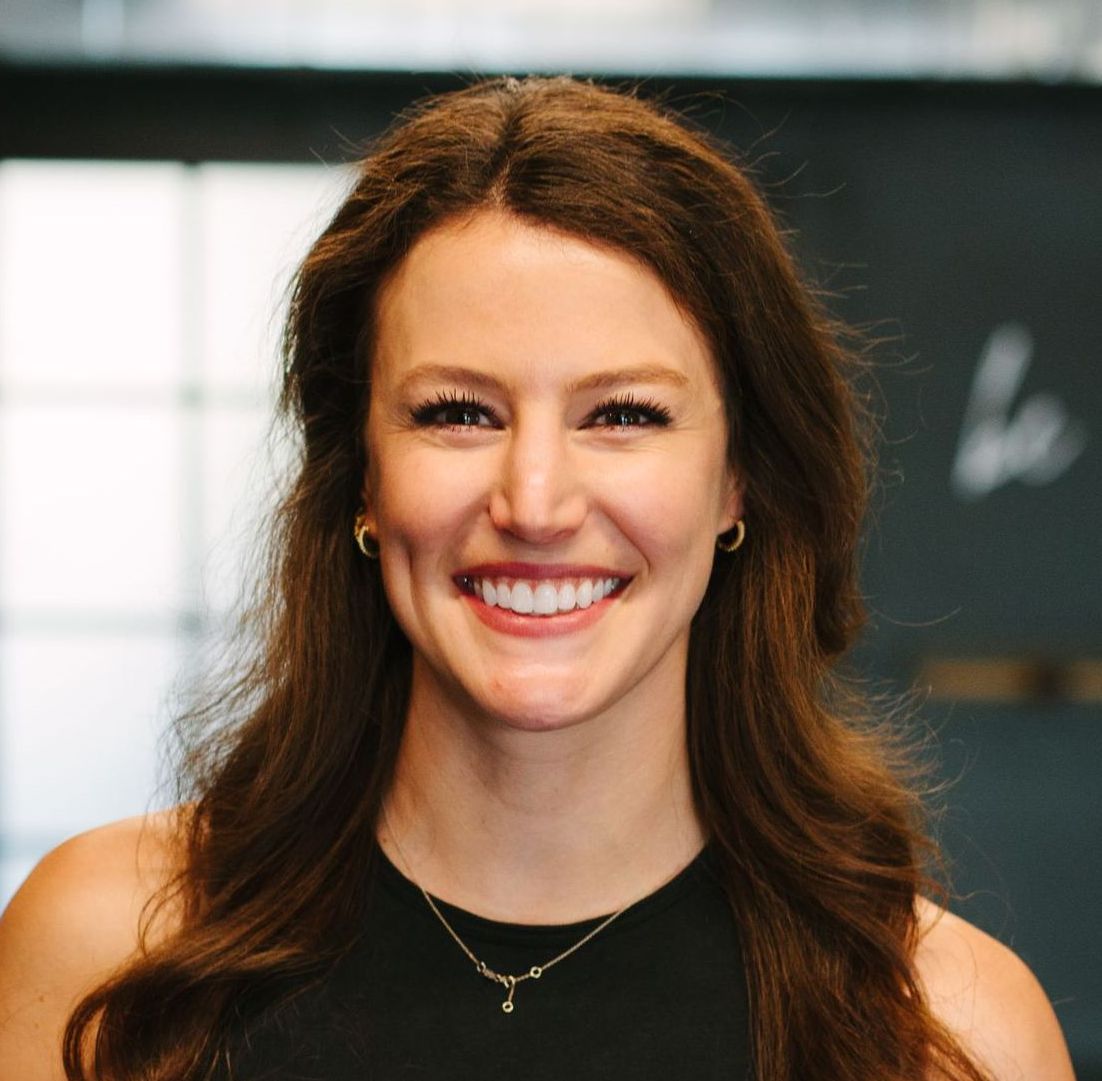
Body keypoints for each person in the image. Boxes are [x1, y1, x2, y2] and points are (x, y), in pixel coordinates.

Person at [0, 76, 1076, 1081]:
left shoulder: (945, 1029)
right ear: (360, 479)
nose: (535, 502)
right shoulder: (110, 952)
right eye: (457, 412)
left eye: (623, 415)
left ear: (738, 480)